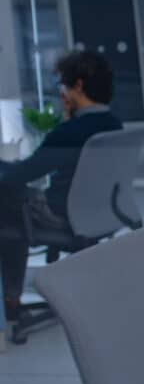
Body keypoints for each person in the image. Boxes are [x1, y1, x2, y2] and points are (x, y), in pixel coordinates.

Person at [0, 51, 122, 321]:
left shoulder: (71, 133)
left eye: (61, 86)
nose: (60, 93)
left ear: (77, 86)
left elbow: (20, 174)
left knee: (7, 205)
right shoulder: (113, 124)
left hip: (60, 215)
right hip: (98, 212)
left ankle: (9, 300)